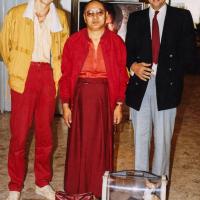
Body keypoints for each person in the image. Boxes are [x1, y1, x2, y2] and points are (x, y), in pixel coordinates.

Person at [0, 0, 69, 199]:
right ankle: (15, 185)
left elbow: (64, 52)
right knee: (19, 134)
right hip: (24, 75)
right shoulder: (16, 13)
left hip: (48, 76)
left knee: (45, 132)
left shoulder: (61, 17)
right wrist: (18, 68)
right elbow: (5, 47)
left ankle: (42, 182)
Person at [59, 0, 128, 198]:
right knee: (79, 144)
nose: (95, 16)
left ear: (106, 16)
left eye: (99, 12)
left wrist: (118, 104)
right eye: (90, 13)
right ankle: (76, 188)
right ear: (84, 17)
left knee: (101, 144)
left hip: (105, 97)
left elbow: (121, 77)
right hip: (80, 98)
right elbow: (65, 75)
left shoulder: (116, 43)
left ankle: (99, 189)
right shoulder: (74, 41)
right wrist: (65, 104)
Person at [125, 0, 195, 178]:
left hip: (167, 87)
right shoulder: (135, 18)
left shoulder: (182, 17)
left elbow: (189, 54)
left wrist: (166, 70)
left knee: (163, 141)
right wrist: (134, 66)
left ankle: (157, 189)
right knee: (140, 139)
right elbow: (127, 51)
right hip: (140, 85)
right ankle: (141, 187)